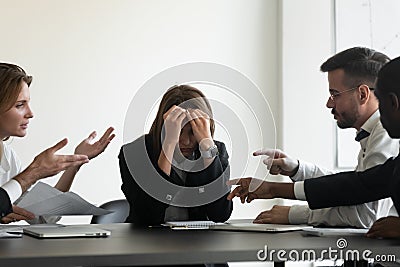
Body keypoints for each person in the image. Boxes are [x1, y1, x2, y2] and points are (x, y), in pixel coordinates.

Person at [227, 55, 400, 239]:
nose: (328, 103)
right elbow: (357, 185)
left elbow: (365, 214)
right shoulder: (386, 154)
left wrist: (293, 212)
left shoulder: (383, 134)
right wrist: (286, 178)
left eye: (335, 94)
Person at [0, 62, 115, 223]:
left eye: (28, 103)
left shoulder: (8, 157)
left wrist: (75, 163)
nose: (30, 113)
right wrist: (34, 172)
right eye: (20, 105)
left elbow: (43, 217)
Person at [119, 84, 232, 227]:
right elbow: (148, 216)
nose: (186, 141)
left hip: (199, 242)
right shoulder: (134, 153)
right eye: (178, 131)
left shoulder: (216, 150)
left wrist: (207, 148)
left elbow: (220, 214)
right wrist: (169, 144)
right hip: (147, 242)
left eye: (193, 132)